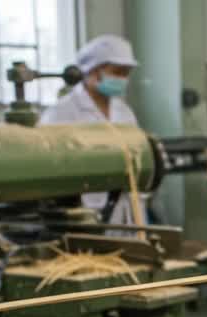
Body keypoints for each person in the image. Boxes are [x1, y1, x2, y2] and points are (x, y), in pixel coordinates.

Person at [40, 35, 143, 227]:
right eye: (117, 72)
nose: (123, 79)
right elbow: (49, 168)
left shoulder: (124, 112)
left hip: (123, 210)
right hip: (83, 212)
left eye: (126, 73)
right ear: (93, 70)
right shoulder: (61, 113)